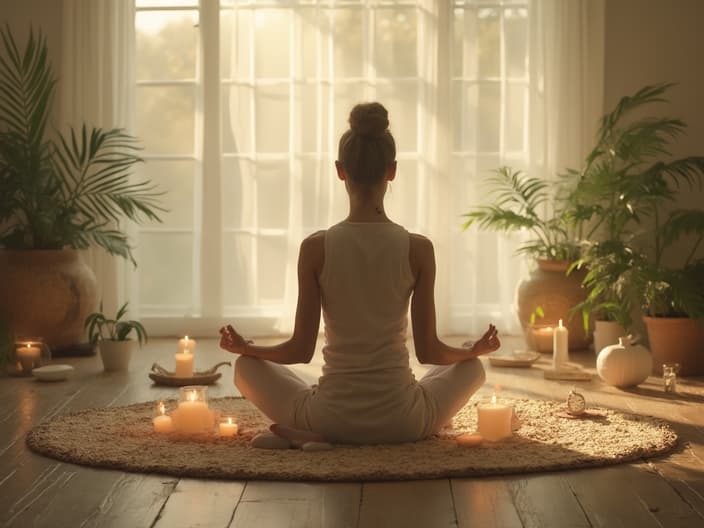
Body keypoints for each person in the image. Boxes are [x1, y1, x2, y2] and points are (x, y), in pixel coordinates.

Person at [219, 102, 500, 447]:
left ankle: (309, 434)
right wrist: (473, 351)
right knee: (473, 368)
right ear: (392, 170)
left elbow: (300, 349)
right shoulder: (418, 249)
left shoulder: (316, 248)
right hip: (404, 422)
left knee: (244, 368)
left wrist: (248, 348)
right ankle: (317, 434)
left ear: (340, 170)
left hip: (329, 417)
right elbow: (429, 353)